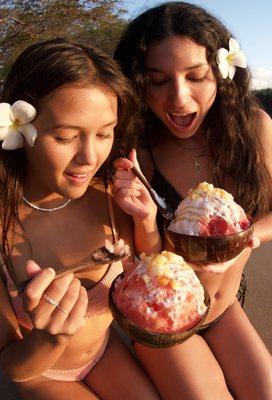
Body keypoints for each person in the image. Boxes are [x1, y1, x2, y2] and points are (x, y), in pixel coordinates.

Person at [113, 2, 272, 399]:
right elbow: (141, 264)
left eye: (196, 76)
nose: (179, 97)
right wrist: (143, 219)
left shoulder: (254, 128)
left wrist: (245, 239)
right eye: (157, 81)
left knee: (269, 394)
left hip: (225, 308)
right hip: (163, 320)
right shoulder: (138, 152)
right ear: (138, 82)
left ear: (222, 73)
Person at [0, 38, 161, 400]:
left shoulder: (110, 197)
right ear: (18, 129)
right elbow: (12, 364)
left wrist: (146, 221)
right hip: (41, 373)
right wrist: (50, 338)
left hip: (105, 353)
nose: (90, 157)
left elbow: (146, 269)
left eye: (104, 133)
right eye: (67, 136)